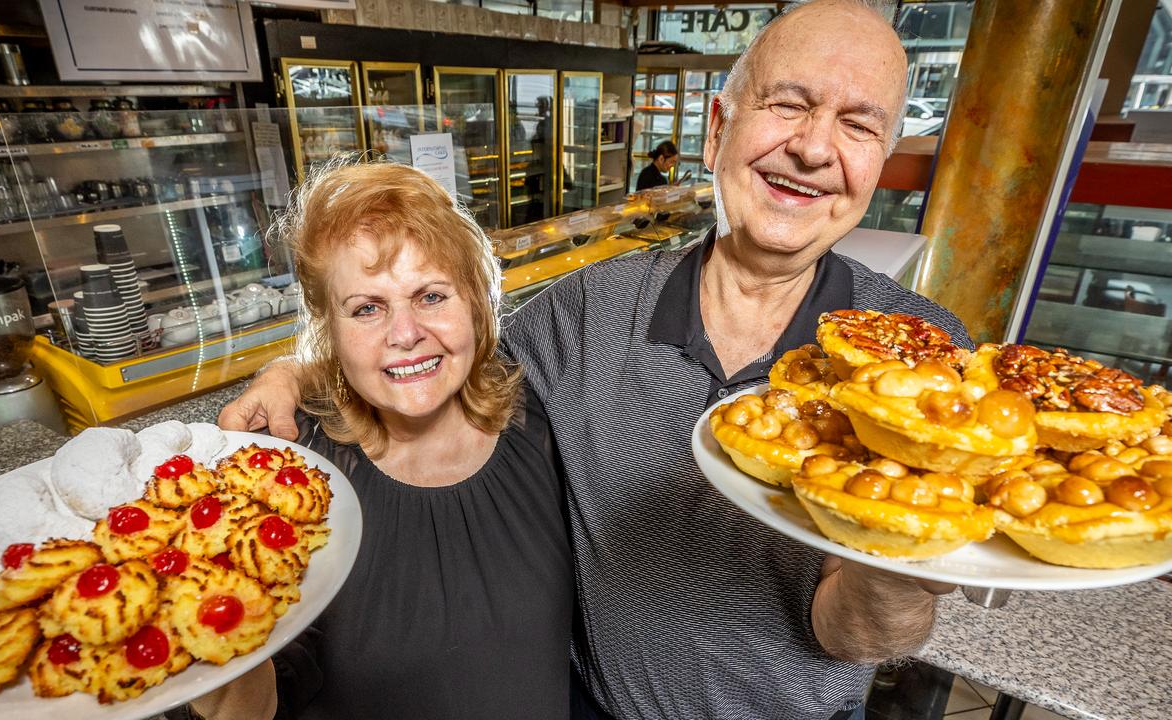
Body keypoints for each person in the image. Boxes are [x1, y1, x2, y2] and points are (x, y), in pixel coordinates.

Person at [221, 2, 969, 718]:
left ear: (879, 163)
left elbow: (857, 634)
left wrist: (899, 560)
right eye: (787, 104)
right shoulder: (587, 312)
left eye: (857, 124)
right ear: (717, 129)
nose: (812, 147)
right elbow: (436, 357)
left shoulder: (923, 367)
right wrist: (293, 376)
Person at [194, 161, 573, 720]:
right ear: (331, 331)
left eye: (431, 296)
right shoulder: (295, 478)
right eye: (366, 309)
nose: (405, 334)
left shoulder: (541, 418)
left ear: (475, 300)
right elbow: (256, 701)